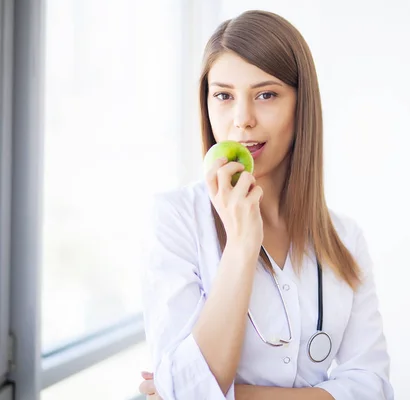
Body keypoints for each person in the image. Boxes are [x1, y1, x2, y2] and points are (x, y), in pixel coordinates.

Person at [138, 9, 394, 400]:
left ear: (300, 104)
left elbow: (373, 389)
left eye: (266, 95)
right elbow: (188, 392)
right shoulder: (176, 218)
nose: (242, 120)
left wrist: (231, 394)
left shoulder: (345, 238)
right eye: (223, 95)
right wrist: (241, 245)